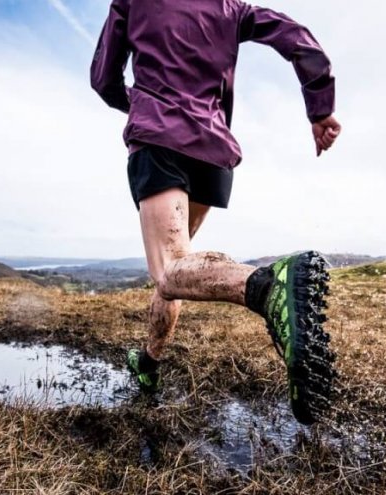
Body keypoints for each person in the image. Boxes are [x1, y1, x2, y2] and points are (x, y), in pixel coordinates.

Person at [91, 0, 341, 425]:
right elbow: (300, 40)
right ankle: (149, 364)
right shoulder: (232, 8)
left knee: (169, 267)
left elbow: (103, 79)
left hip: (161, 138)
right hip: (213, 152)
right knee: (179, 265)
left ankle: (268, 286)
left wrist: (141, 103)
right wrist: (320, 109)